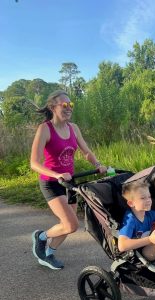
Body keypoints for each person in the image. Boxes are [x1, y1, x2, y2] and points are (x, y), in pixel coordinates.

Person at [30, 90, 107, 270]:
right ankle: (41, 237)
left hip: (69, 182)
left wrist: (97, 163)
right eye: (64, 105)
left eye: (70, 105)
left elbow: (86, 151)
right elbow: (34, 163)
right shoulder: (45, 129)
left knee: (69, 222)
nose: (69, 108)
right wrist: (56, 174)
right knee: (71, 225)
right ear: (52, 107)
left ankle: (47, 252)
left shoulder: (74, 128)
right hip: (51, 183)